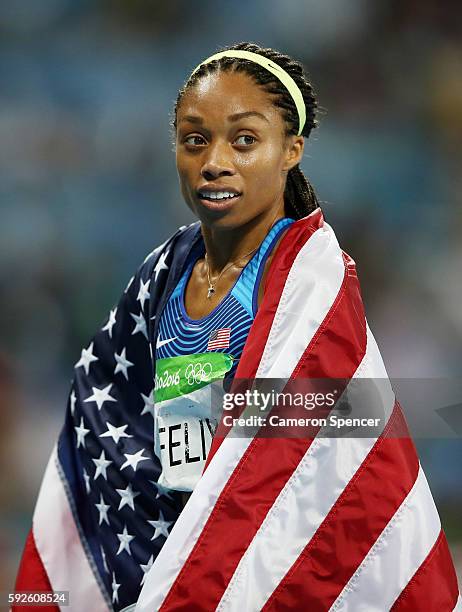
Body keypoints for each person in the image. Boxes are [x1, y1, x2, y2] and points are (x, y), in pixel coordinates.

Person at [15, 42, 460, 612]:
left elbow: (313, 441)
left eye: (244, 140)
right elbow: (110, 431)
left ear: (291, 149)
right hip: (167, 558)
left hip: (269, 565)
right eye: (194, 139)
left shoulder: (306, 277)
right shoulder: (162, 275)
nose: (214, 162)